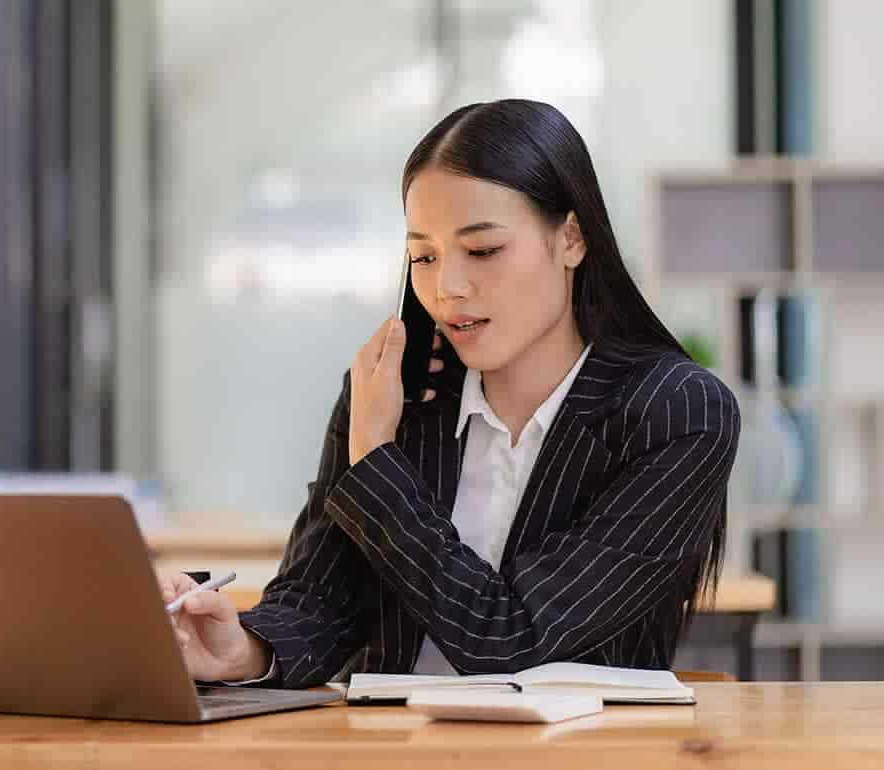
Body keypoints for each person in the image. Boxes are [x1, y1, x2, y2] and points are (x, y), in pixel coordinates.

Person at [159, 99, 740, 688]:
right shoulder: (395, 394)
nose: (448, 287)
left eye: (483, 251)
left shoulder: (679, 413)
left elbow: (511, 642)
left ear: (570, 239)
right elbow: (318, 601)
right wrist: (245, 648)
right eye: (424, 256)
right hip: (388, 748)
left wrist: (377, 459)